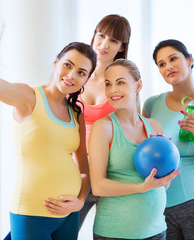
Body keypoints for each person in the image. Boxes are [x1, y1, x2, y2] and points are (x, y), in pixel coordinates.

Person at [0, 19, 97, 240]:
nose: (72, 75)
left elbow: (83, 167)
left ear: (86, 80)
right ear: (56, 62)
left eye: (81, 72)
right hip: (31, 212)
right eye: (68, 65)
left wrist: (80, 201)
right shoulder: (29, 97)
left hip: (68, 215)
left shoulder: (76, 113)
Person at [89, 59, 179, 240]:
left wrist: (168, 165)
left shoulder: (154, 127)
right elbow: (98, 186)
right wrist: (141, 187)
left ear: (138, 85)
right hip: (116, 233)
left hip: (156, 230)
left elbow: (163, 184)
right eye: (108, 84)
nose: (113, 90)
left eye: (120, 82)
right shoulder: (104, 127)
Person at [143, 39, 194, 240]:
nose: (168, 66)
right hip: (160, 205)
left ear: (189, 60)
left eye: (173, 59)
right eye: (161, 64)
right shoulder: (152, 104)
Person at [78, 14, 131, 227]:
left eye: (113, 41)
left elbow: (132, 125)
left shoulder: (124, 81)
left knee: (109, 233)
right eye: (101, 36)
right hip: (78, 172)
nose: (104, 44)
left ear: (121, 46)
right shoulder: (77, 75)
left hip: (111, 173)